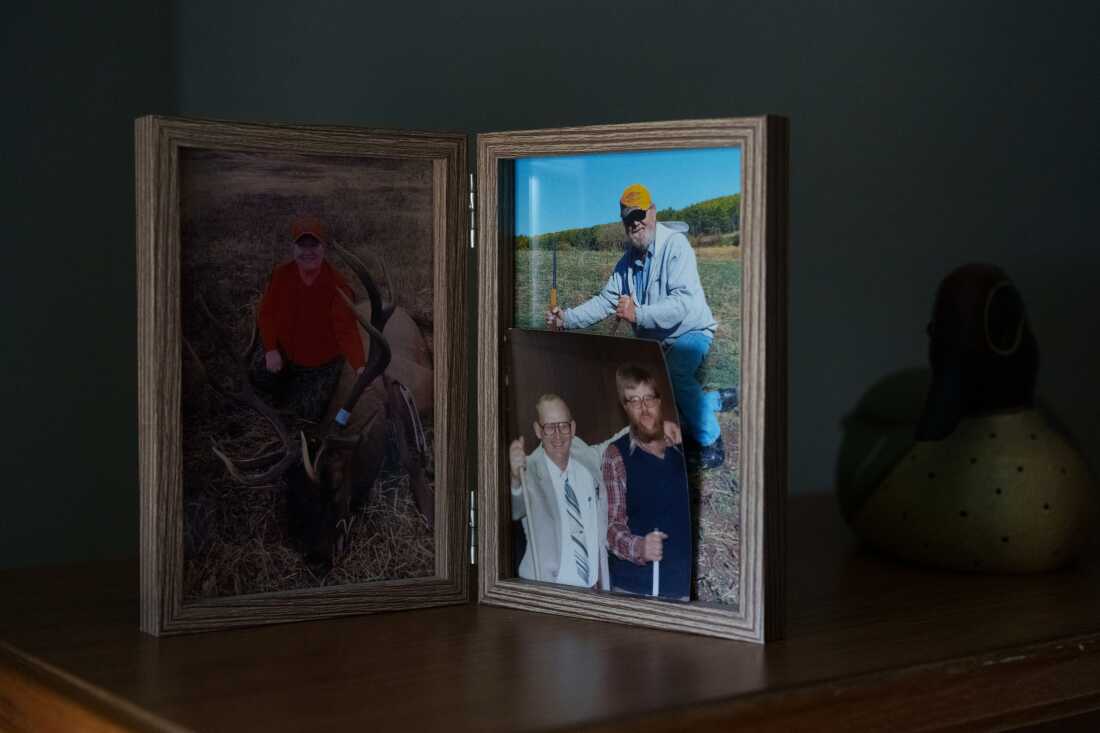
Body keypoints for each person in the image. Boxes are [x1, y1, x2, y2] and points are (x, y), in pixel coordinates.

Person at [546, 183, 735, 470]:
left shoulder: (676, 246)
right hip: (655, 344)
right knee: (648, 392)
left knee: (672, 375)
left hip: (690, 332)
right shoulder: (625, 264)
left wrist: (639, 314)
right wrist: (566, 319)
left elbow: (683, 304)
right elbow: (604, 301)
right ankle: (714, 401)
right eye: (628, 218)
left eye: (639, 214)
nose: (635, 223)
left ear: (653, 212)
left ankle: (712, 445)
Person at [508, 394, 681, 590]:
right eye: (549, 427)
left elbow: (616, 443)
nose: (557, 435)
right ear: (538, 430)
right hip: (547, 592)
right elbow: (515, 509)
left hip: (594, 590)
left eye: (563, 426)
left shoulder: (585, 459)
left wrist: (654, 426)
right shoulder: (527, 469)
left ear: (572, 428)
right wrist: (515, 477)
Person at [253, 216, 365, 422]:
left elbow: (346, 330)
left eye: (314, 245)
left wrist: (359, 365)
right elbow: (267, 314)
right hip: (285, 352)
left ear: (324, 248)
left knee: (305, 415)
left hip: (320, 365)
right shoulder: (281, 275)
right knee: (256, 378)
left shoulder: (338, 286)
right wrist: (270, 349)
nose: (308, 252)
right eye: (301, 245)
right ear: (293, 248)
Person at [603, 365, 691, 601]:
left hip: (684, 586)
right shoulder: (616, 455)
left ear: (659, 400)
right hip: (637, 589)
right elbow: (611, 527)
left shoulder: (682, 445)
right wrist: (639, 547)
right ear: (625, 408)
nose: (643, 408)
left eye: (649, 398)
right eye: (633, 401)